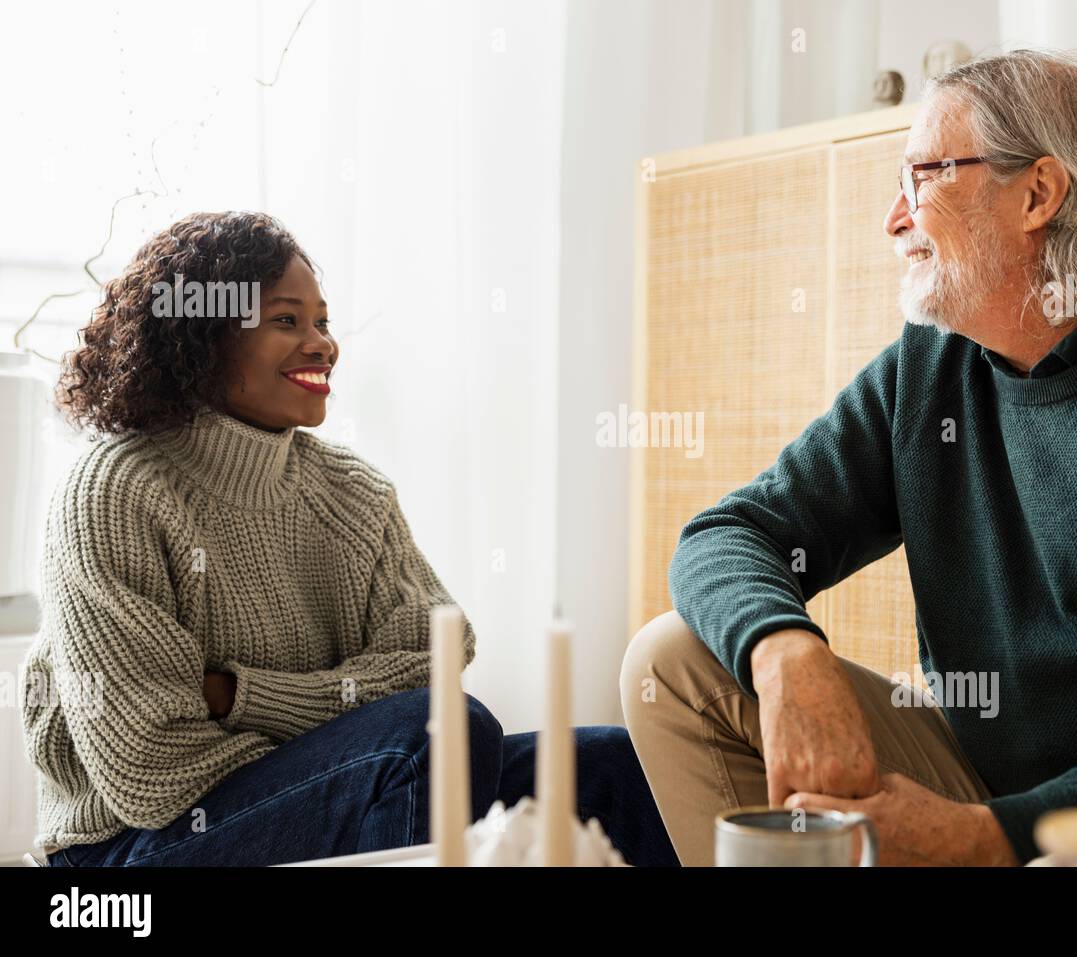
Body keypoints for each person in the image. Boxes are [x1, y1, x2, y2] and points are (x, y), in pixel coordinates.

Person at [621, 49, 1077, 867]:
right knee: (672, 661)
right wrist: (785, 650)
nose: (894, 218)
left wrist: (990, 837)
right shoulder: (931, 366)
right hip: (982, 786)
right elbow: (727, 534)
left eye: (922, 177)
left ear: (1039, 194)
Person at [24, 210, 675, 866]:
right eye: (287, 320)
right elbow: (150, 765)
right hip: (131, 848)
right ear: (201, 335)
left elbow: (433, 654)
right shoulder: (113, 491)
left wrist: (241, 696)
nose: (322, 344)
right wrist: (340, 746)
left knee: (608, 767)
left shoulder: (351, 491)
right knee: (436, 736)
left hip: (314, 786)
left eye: (323, 322)